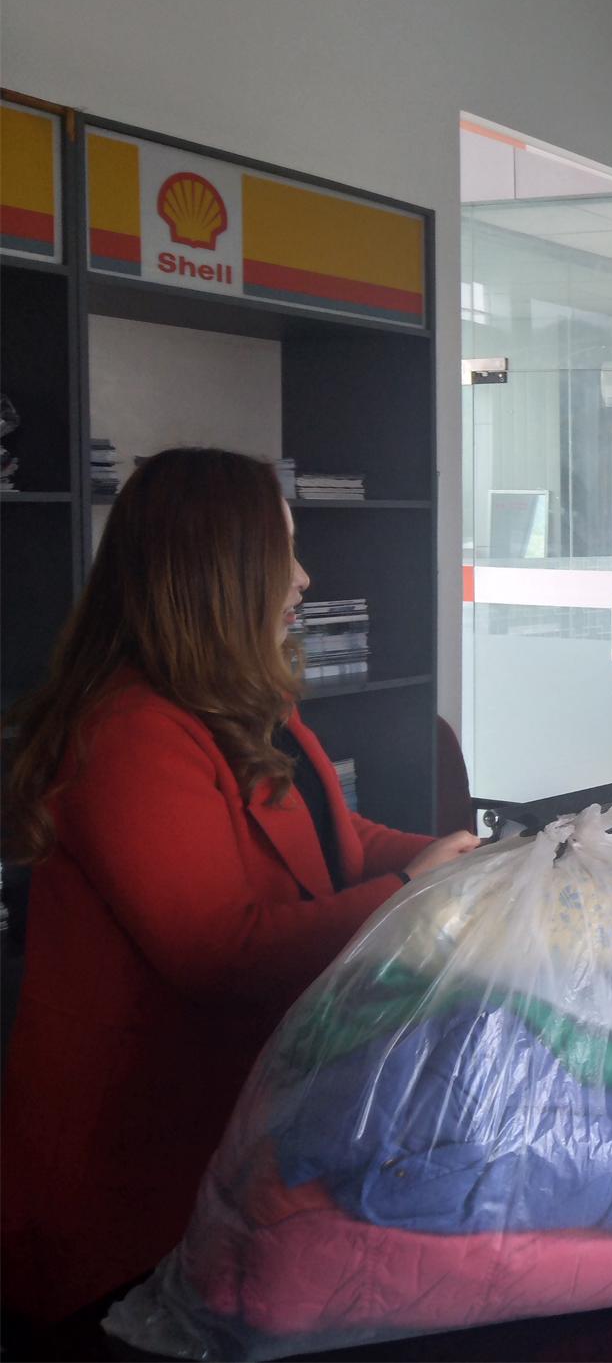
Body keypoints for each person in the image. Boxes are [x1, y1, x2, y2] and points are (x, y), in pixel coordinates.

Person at [0, 448, 479, 1327]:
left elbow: (338, 843)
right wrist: (413, 887)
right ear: (218, 571)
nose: (303, 578)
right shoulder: (127, 735)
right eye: (282, 553)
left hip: (238, 1130)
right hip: (133, 1167)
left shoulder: (244, 701)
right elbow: (220, 953)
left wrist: (473, 862)